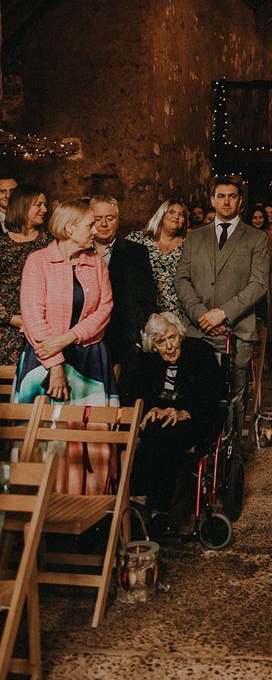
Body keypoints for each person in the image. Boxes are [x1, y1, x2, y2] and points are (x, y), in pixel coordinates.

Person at [15, 200, 117, 494]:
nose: (96, 229)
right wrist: (56, 363)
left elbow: (105, 309)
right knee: (48, 438)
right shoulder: (38, 262)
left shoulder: (95, 261)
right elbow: (33, 317)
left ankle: (91, 512)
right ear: (70, 228)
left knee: (91, 443)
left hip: (89, 361)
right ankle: (39, 517)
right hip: (44, 360)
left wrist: (68, 338)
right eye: (90, 224)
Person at [175, 174, 269, 456]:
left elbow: (259, 284)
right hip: (198, 329)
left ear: (240, 202)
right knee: (198, 392)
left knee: (234, 396)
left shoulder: (256, 238)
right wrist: (202, 314)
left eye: (232, 196)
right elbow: (181, 280)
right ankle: (199, 450)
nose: (226, 201)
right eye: (221, 196)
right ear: (212, 200)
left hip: (236, 330)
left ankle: (233, 457)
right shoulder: (194, 237)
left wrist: (223, 313)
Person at [122, 312, 225, 537]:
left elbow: (214, 392)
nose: (169, 346)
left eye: (172, 338)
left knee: (165, 435)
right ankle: (142, 502)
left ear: (179, 335)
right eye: (161, 342)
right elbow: (135, 392)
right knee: (153, 431)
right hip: (159, 423)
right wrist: (151, 408)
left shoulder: (200, 353)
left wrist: (184, 411)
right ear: (153, 345)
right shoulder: (146, 360)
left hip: (195, 419)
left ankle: (152, 503)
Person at [91, 195, 156, 369]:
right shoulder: (79, 251)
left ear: (118, 219)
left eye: (110, 218)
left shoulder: (137, 253)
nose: (104, 224)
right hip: (86, 341)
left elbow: (147, 299)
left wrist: (137, 338)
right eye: (98, 218)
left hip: (124, 343)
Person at [0, 184, 51, 365]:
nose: (44, 209)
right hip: (5, 332)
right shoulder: (2, 245)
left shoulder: (51, 243)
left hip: (42, 330)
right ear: (23, 205)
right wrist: (10, 318)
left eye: (45, 205)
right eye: (38, 204)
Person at [127, 199, 188, 318]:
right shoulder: (137, 239)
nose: (176, 216)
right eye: (171, 212)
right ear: (161, 215)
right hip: (142, 310)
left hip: (178, 313)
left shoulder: (189, 245)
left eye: (181, 214)